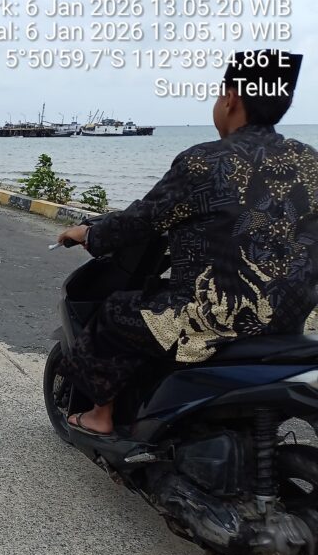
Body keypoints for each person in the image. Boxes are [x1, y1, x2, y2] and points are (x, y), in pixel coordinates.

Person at [57, 49, 318, 436]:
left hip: (218, 316)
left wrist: (90, 233)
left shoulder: (204, 161)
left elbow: (143, 219)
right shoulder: (310, 161)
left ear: (230, 99)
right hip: (298, 317)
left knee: (114, 313)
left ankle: (100, 416)